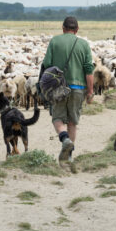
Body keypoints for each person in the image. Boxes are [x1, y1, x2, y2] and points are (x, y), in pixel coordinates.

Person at [40, 16, 94, 162]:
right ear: (76, 30)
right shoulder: (84, 44)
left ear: (63, 28)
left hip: (58, 88)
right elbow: (89, 70)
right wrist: (90, 92)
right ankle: (69, 156)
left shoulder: (55, 41)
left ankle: (64, 140)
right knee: (72, 122)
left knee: (57, 118)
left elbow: (46, 64)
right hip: (78, 87)